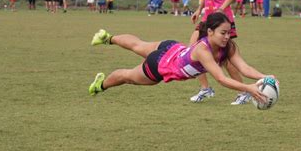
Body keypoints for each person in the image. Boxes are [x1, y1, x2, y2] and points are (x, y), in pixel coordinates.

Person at [88, 12, 273, 106]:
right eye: (222, 33)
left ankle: (107, 38)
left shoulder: (229, 46)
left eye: (229, 33)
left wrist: (265, 77)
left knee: (138, 45)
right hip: (160, 64)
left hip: (173, 48)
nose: (227, 37)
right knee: (128, 76)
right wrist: (248, 88)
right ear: (209, 32)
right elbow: (221, 78)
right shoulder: (203, 50)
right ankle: (100, 85)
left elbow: (244, 68)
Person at [190, 0, 249, 105]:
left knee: (226, 60)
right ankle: (205, 88)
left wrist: (221, 8)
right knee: (193, 50)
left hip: (222, 19)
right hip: (207, 17)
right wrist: (198, 9)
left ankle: (244, 92)